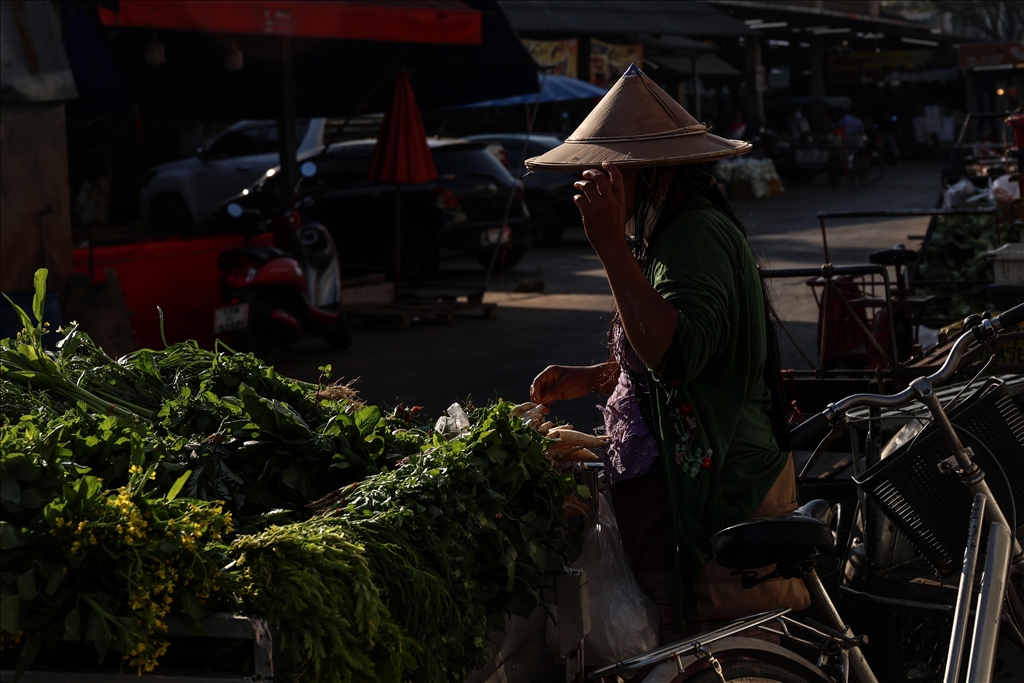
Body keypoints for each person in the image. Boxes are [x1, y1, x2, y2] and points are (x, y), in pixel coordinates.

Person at [525, 64, 808, 644]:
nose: (596, 185)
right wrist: (600, 376)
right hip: (687, 484)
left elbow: (677, 355)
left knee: (715, 658)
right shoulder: (663, 235)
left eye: (607, 172)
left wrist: (607, 247)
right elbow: (679, 347)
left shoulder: (692, 234)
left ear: (650, 175)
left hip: (722, 487)